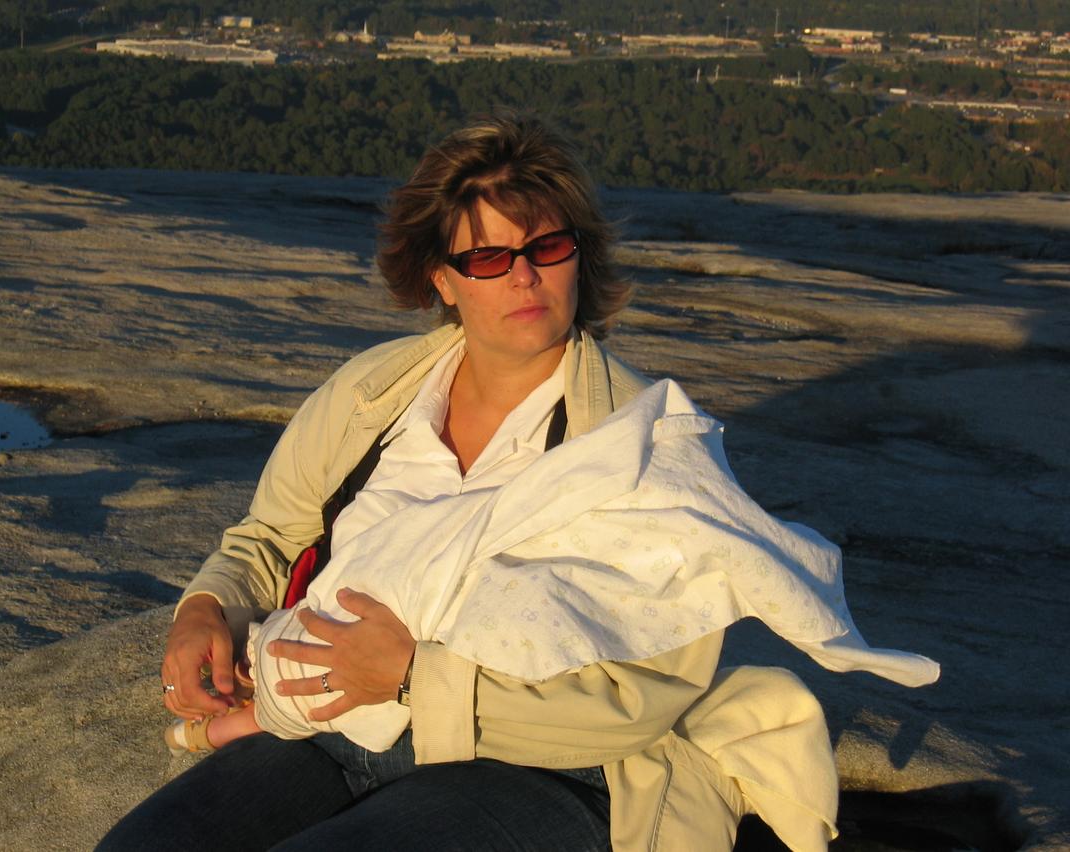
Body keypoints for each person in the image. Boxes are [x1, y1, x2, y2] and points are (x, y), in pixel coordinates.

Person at [100, 112, 937, 852]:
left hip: (536, 769)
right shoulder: (372, 395)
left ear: (579, 256)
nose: (524, 276)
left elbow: (644, 692)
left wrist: (412, 677)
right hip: (332, 731)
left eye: (546, 248)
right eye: (490, 257)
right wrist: (206, 608)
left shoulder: (641, 440)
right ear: (443, 279)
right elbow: (270, 539)